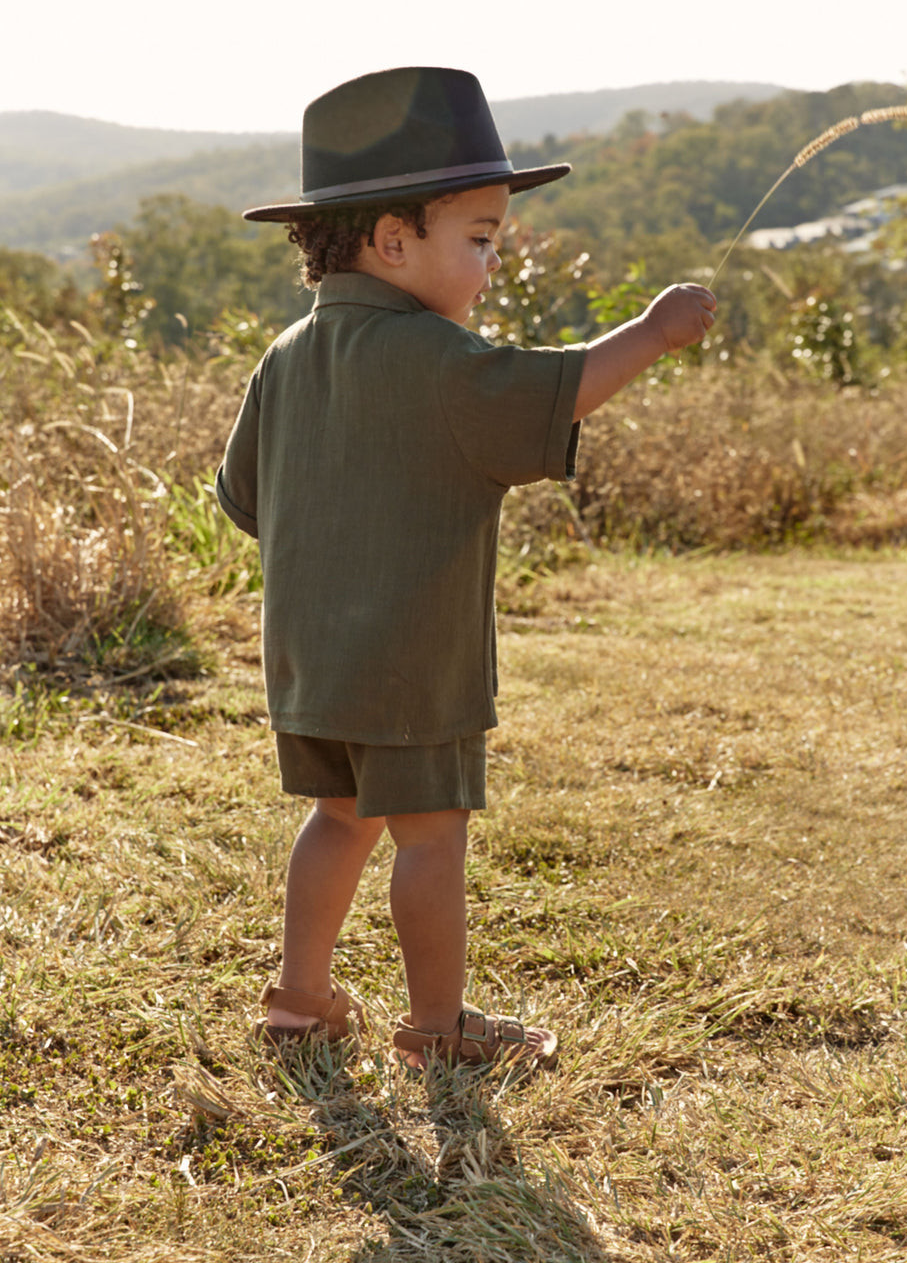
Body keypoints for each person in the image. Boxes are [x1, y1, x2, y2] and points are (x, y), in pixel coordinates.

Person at [217, 67, 716, 1071]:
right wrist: (658, 330)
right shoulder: (441, 358)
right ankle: (437, 1027)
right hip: (414, 663)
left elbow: (243, 497)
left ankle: (299, 1000)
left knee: (337, 815)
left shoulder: (286, 351)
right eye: (480, 239)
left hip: (310, 662)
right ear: (393, 241)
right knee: (430, 837)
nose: (493, 262)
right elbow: (560, 386)